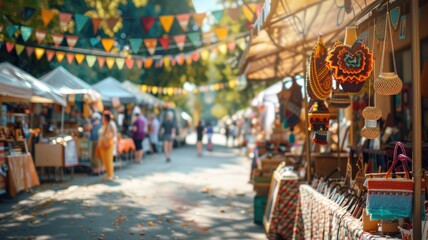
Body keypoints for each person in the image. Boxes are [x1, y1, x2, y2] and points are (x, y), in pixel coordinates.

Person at [98, 111, 117, 181]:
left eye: (103, 117)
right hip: (103, 144)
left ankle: (111, 175)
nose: (102, 118)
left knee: (109, 160)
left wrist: (109, 139)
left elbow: (114, 134)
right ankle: (108, 174)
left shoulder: (111, 124)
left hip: (109, 144)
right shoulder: (104, 125)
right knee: (105, 160)